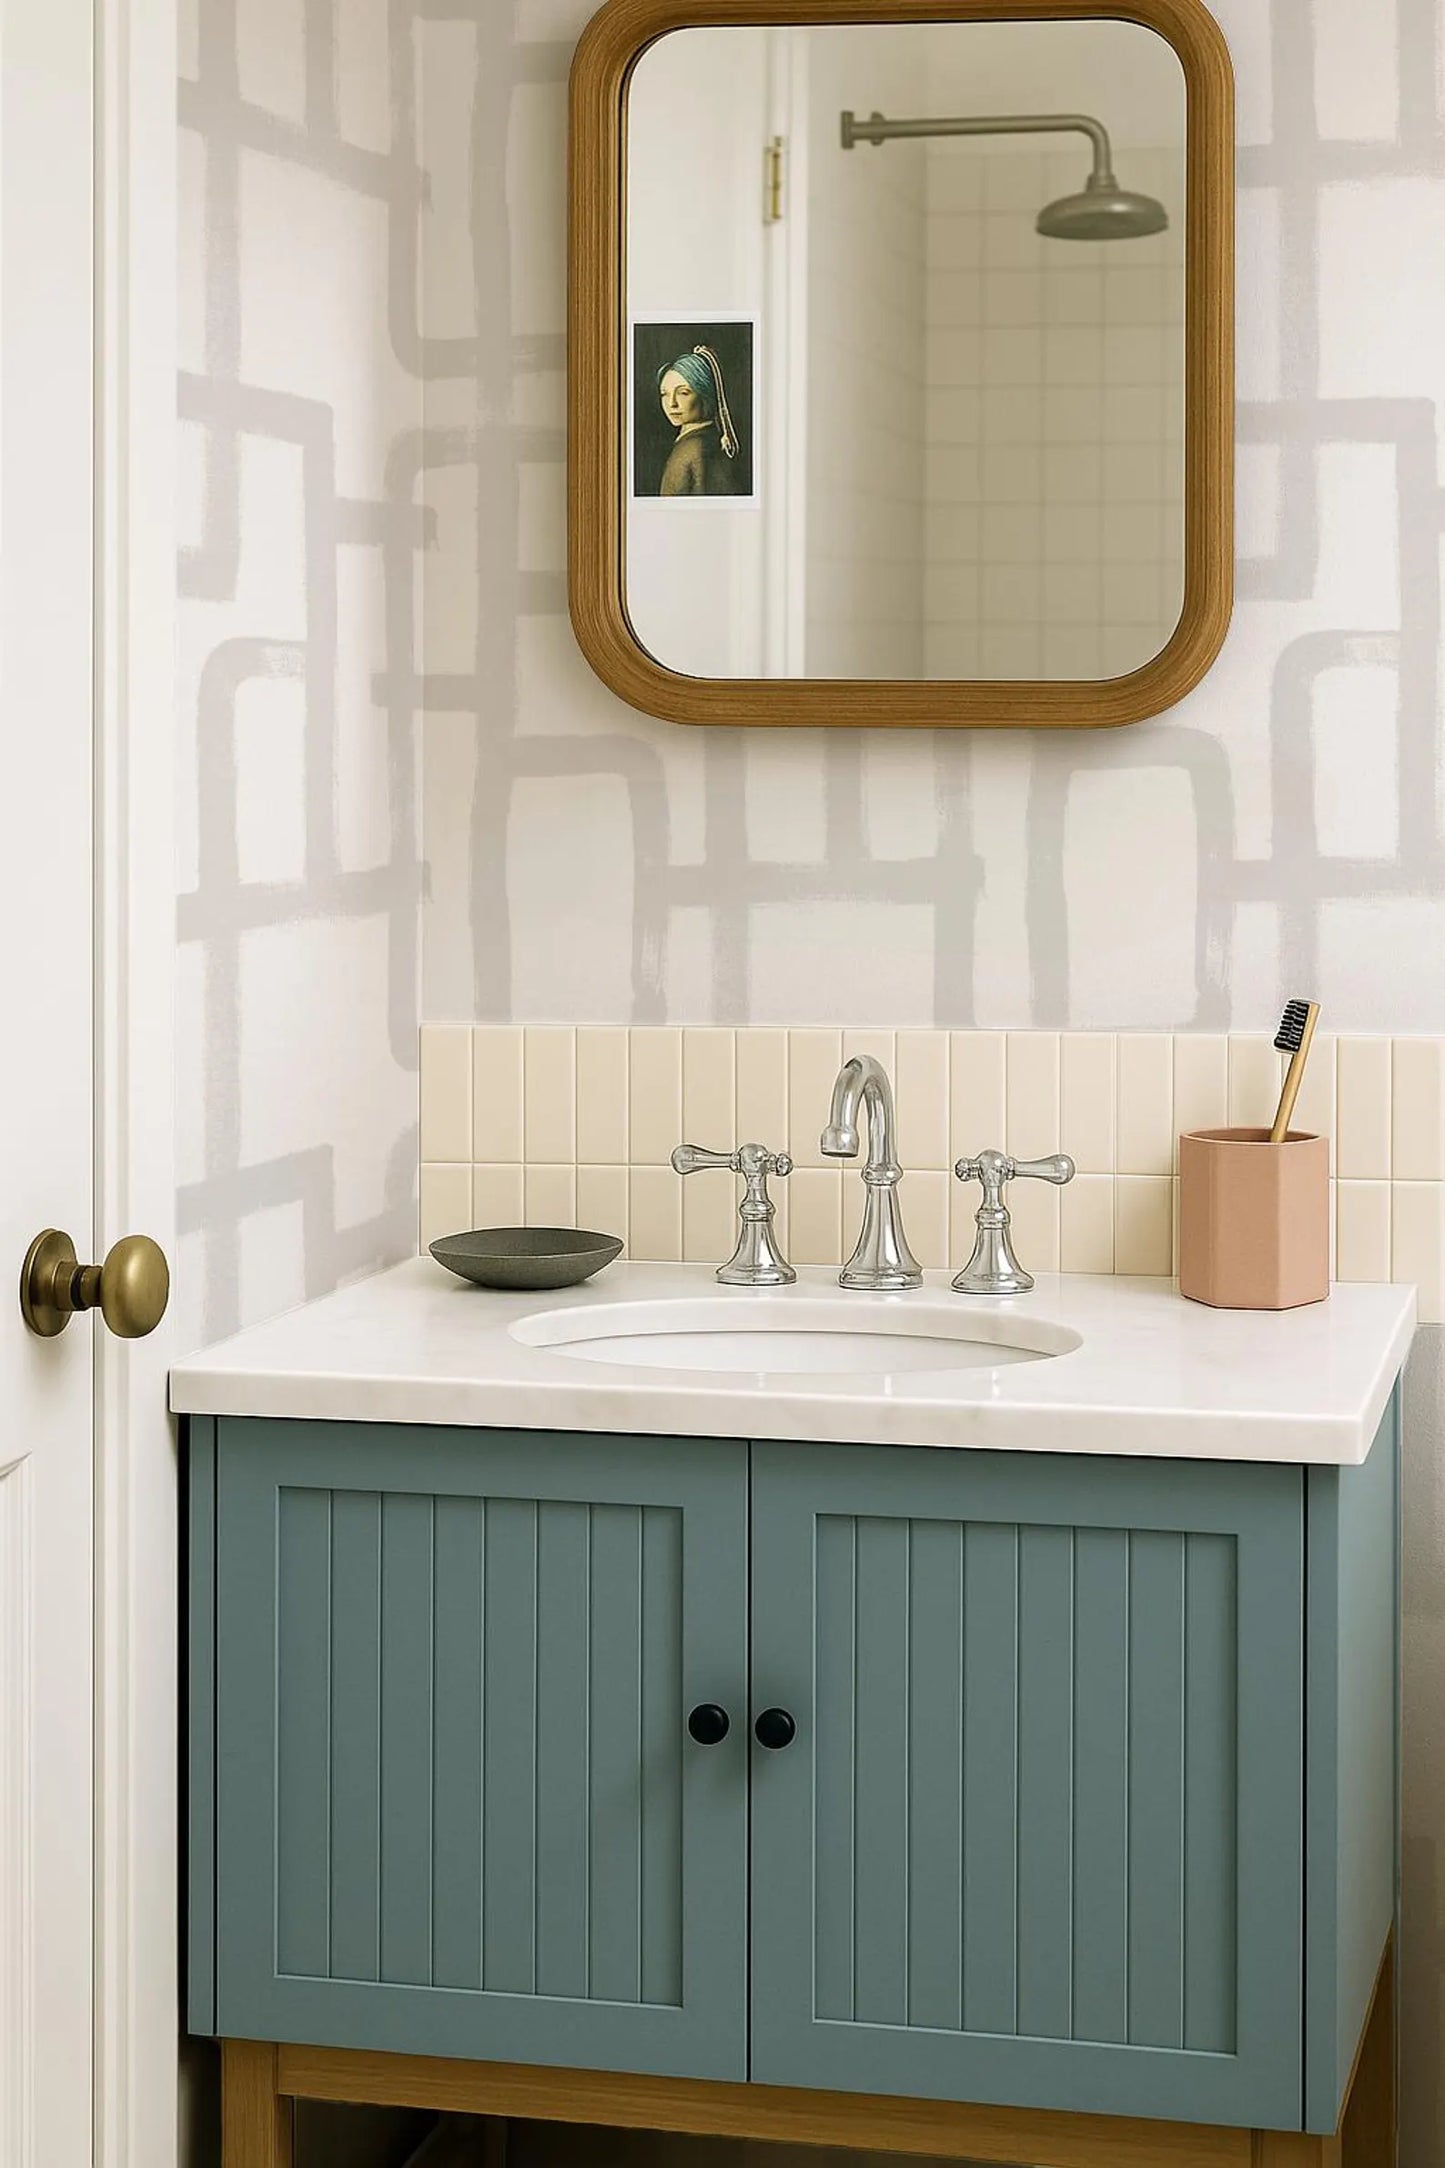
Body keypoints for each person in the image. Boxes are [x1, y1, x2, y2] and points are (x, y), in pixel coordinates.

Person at [654, 345, 742, 496]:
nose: (672, 403)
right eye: (664, 394)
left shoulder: (692, 448)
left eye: (683, 393)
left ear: (704, 394)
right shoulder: (706, 439)